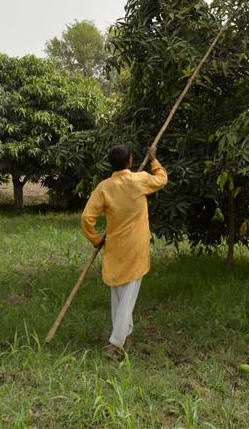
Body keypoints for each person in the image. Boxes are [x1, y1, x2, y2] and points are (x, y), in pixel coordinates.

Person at [81, 145, 168, 357]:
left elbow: (86, 218)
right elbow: (162, 179)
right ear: (129, 161)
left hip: (115, 247)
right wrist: (153, 160)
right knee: (126, 296)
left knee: (120, 295)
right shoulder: (140, 180)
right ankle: (115, 344)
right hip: (136, 247)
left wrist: (95, 239)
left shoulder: (104, 187)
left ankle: (124, 336)